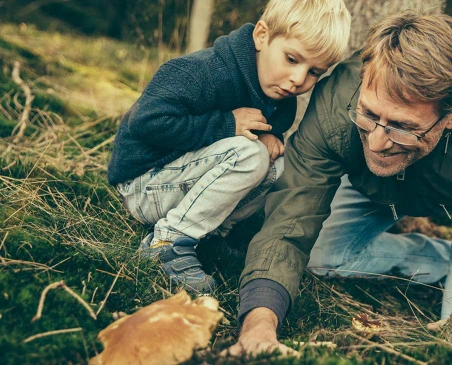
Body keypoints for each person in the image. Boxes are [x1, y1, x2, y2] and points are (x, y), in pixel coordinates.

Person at [225, 11, 452, 356]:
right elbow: (289, 222)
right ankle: (444, 262)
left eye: (403, 127)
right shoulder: (336, 101)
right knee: (321, 260)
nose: (375, 142)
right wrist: (259, 325)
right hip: (374, 191)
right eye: (369, 116)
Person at [107, 0, 351, 293]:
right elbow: (146, 122)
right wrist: (226, 125)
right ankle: (168, 241)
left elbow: (256, 141)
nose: (298, 80)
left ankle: (210, 237)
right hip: (144, 185)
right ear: (262, 36)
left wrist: (273, 140)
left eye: (315, 72)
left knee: (280, 166)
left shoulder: (279, 98)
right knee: (251, 156)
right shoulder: (204, 72)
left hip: (181, 188)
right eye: (291, 59)